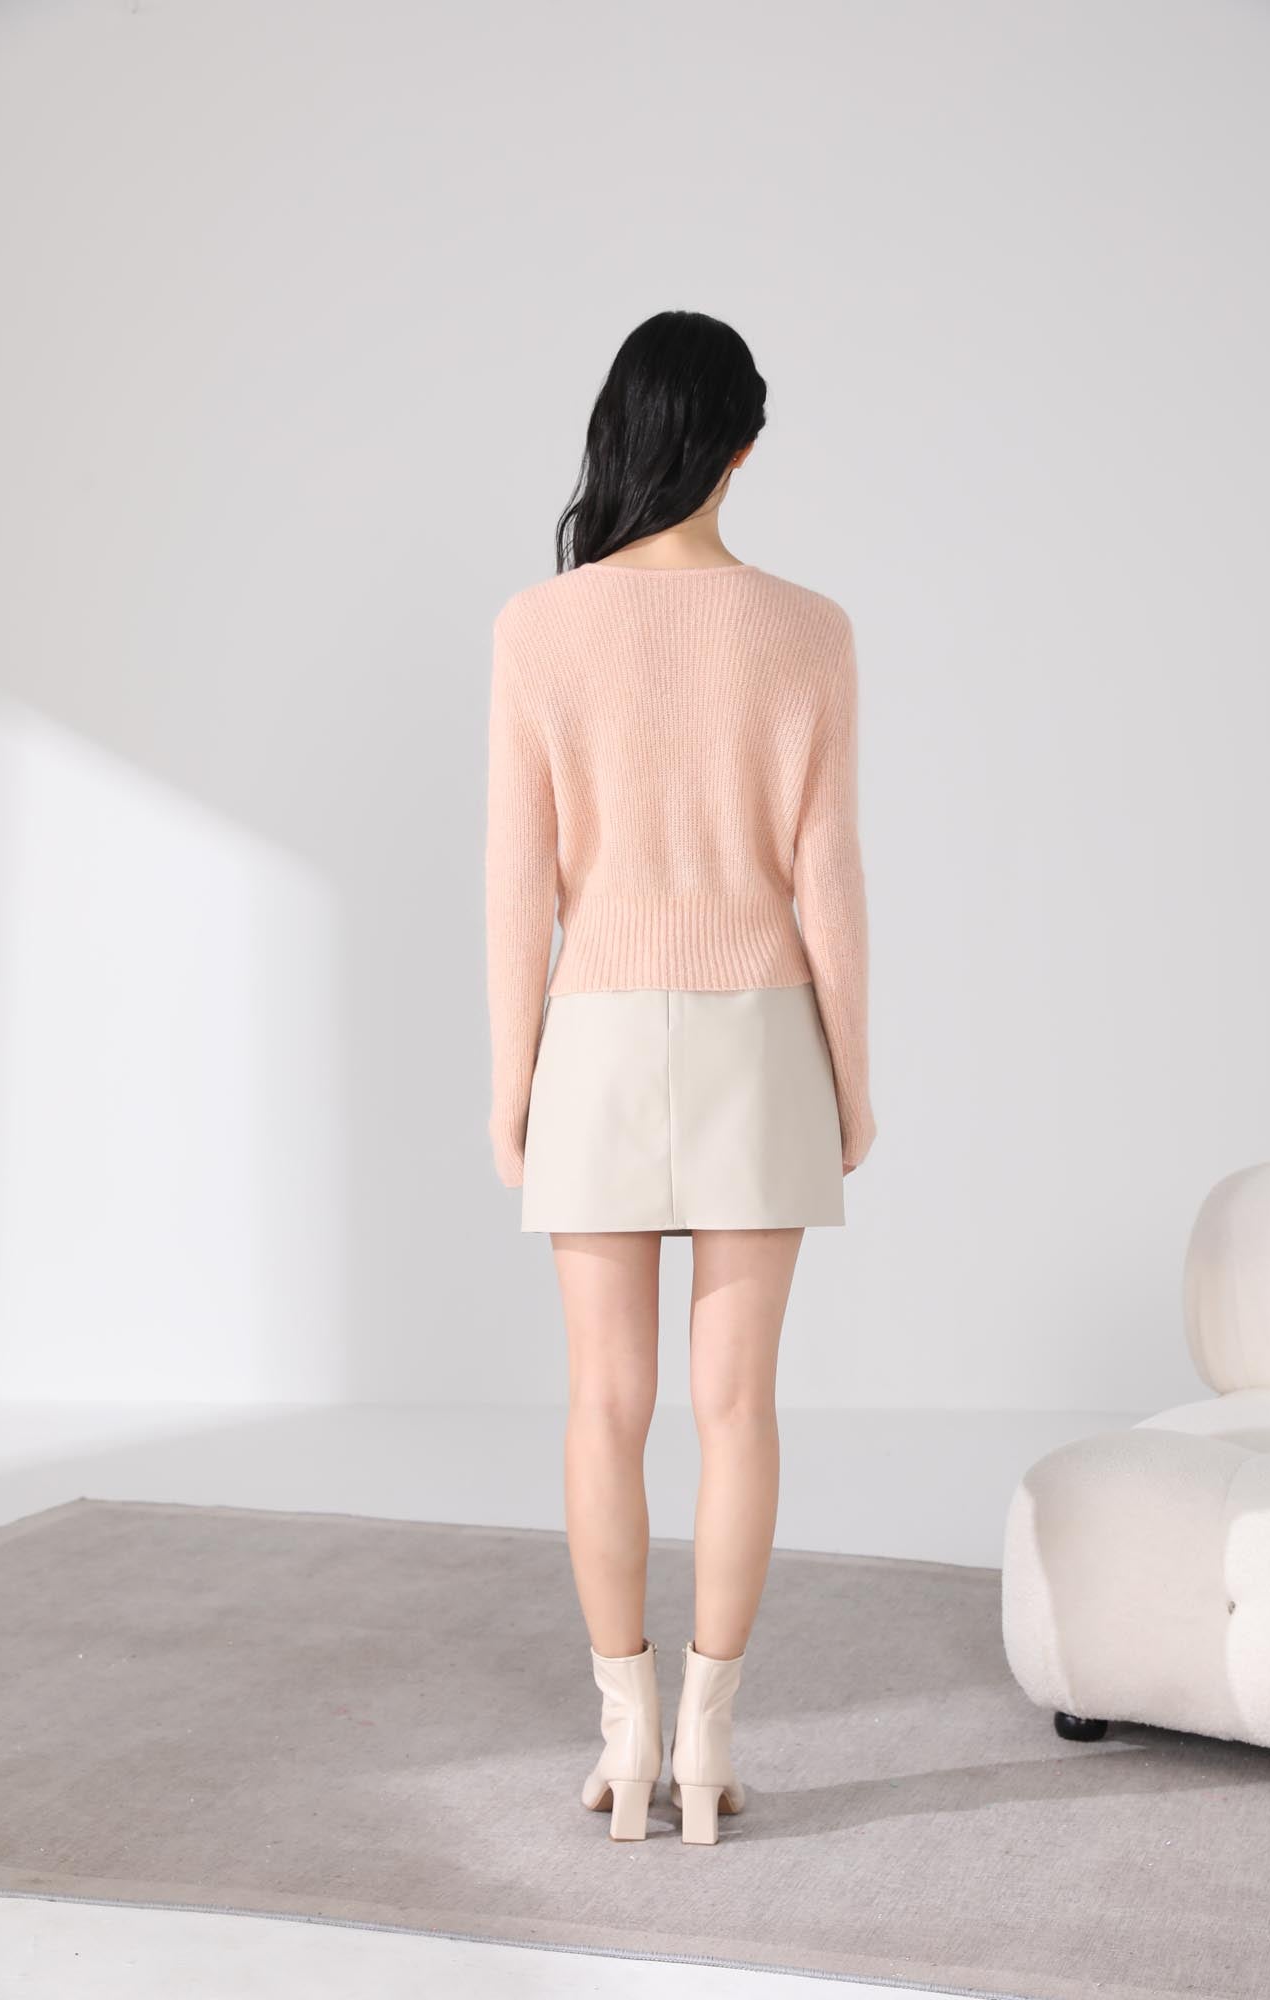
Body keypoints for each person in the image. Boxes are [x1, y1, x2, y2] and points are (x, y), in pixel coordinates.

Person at [484, 309, 875, 1845]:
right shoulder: (809, 628)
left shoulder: (537, 625)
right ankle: (706, 1747)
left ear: (622, 433)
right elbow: (827, 877)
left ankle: (624, 1737)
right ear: (742, 446)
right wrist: (852, 1079)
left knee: (602, 1404)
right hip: (761, 1034)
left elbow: (517, 886)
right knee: (737, 1407)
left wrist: (508, 1084)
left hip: (590, 1034)